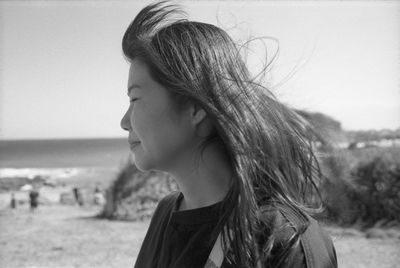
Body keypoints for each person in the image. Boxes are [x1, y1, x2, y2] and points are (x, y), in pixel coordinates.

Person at [120, 2, 337, 267]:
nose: (124, 122)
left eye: (135, 98)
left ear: (196, 108)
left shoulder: (283, 237)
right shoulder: (166, 212)